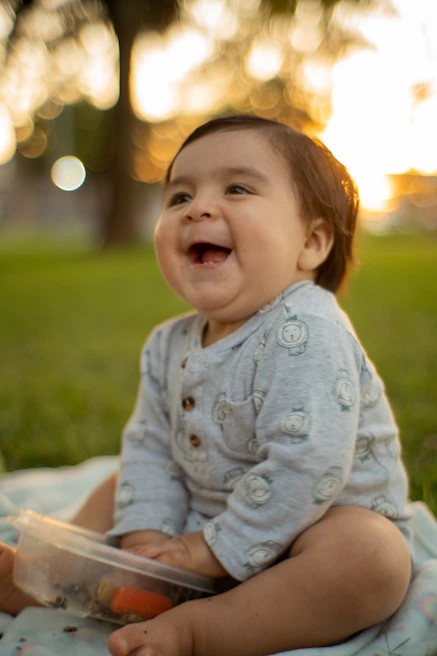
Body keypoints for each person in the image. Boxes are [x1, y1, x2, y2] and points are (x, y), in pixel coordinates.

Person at [0, 115, 412, 656]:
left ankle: (202, 628)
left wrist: (204, 553)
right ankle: (52, 573)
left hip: (308, 532)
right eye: (179, 196)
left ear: (311, 242)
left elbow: (307, 465)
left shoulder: (308, 331)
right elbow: (152, 445)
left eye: (237, 188)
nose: (198, 207)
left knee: (371, 557)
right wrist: (147, 542)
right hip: (200, 522)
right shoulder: (168, 344)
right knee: (127, 477)